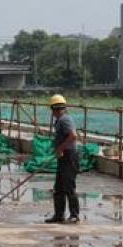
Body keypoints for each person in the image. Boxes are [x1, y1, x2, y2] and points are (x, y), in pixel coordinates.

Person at [45, 94, 80, 224]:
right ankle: (59, 215)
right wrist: (59, 149)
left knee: (69, 187)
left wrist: (60, 148)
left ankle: (74, 215)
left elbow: (73, 136)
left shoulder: (65, 120)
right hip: (64, 156)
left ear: (53, 109)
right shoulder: (61, 120)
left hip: (69, 156)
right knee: (59, 187)